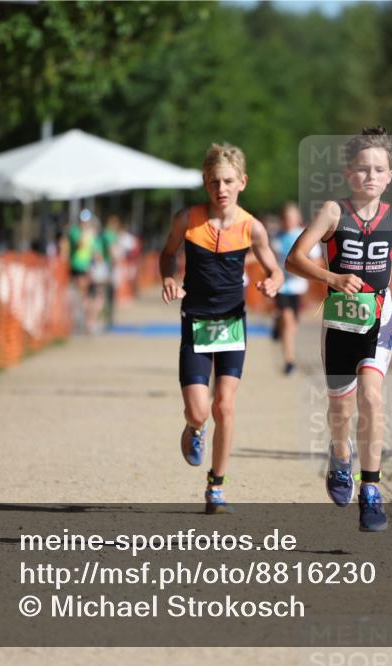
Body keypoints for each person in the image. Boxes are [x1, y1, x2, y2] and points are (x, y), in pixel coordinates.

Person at [286, 127, 392, 532]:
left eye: (378, 169)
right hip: (339, 324)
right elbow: (294, 259)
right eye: (362, 169)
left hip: (379, 320)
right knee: (340, 409)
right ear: (349, 173)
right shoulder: (333, 212)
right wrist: (330, 278)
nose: (370, 175)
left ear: (389, 176)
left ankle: (371, 490)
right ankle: (339, 455)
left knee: (371, 395)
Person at [160, 143, 283, 513]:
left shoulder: (252, 228)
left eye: (229, 181)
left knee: (224, 406)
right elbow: (167, 253)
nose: (222, 189)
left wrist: (274, 281)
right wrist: (168, 276)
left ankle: (217, 485)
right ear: (205, 182)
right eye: (215, 182)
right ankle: (193, 429)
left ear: (242, 182)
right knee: (199, 411)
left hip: (232, 323)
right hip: (196, 321)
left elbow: (274, 268)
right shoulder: (187, 219)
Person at [272, 202, 321, 375]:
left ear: (298, 219)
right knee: (288, 319)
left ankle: (278, 324)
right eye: (285, 218)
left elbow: (316, 260)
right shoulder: (276, 237)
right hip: (281, 286)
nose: (288, 221)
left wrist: (301, 266)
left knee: (293, 324)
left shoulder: (303, 235)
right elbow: (269, 259)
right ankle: (289, 360)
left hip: (299, 287)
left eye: (292, 218)